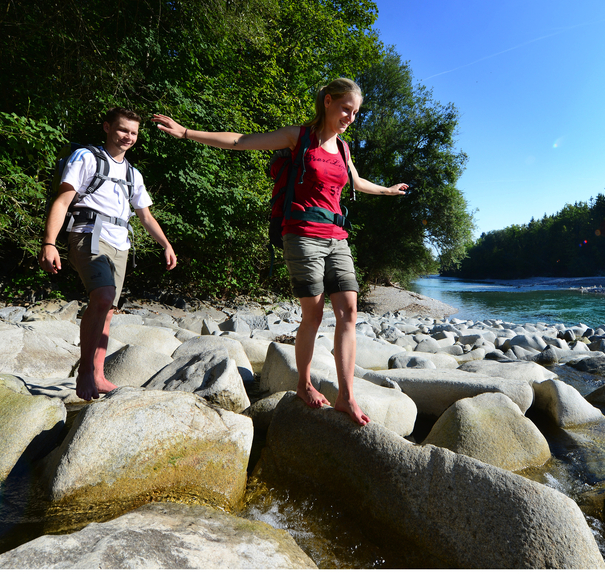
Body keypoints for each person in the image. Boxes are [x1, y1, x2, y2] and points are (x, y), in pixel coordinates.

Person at [151, 78, 408, 426]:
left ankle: (346, 396)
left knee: (349, 309)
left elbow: (357, 182)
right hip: (302, 234)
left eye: (356, 112)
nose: (351, 116)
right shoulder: (298, 137)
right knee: (314, 315)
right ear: (328, 102)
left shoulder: (344, 149)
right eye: (346, 108)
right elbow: (242, 141)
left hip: (337, 236)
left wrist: (388, 190)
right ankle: (304, 383)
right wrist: (186, 133)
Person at [39, 108, 177, 402]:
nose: (128, 136)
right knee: (102, 297)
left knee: (109, 308)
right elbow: (63, 201)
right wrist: (49, 243)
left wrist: (166, 244)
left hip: (121, 243)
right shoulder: (87, 158)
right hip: (89, 233)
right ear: (107, 128)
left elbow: (146, 216)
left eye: (134, 132)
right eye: (123, 130)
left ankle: (99, 373)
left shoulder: (132, 173)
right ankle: (85, 372)